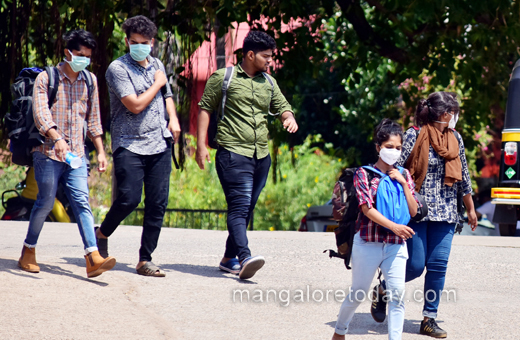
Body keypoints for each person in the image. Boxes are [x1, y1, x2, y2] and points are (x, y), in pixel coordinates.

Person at [370, 92, 478, 338]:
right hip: (416, 211)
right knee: (416, 266)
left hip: (448, 212)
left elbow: (464, 173)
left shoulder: (455, 138)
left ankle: (429, 318)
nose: (455, 117)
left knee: (438, 266)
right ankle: (383, 290)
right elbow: (394, 163)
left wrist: (470, 208)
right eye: (452, 112)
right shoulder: (414, 134)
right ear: (443, 114)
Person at [196, 31, 298, 280]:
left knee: (246, 208)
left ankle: (228, 258)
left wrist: (289, 117)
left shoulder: (269, 82)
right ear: (250, 55)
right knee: (240, 207)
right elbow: (205, 110)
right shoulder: (223, 77)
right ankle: (244, 257)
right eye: (266, 56)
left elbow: (282, 106)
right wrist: (200, 146)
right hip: (232, 152)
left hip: (261, 155)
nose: (269, 61)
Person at [18, 29, 116, 278]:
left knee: (82, 201)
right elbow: (41, 114)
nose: (83, 59)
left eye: (88, 56)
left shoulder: (90, 81)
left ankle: (92, 256)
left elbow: (93, 120)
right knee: (45, 202)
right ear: (67, 52)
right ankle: (28, 250)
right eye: (79, 54)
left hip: (76, 156)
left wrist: (102, 151)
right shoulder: (47, 78)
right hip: (47, 153)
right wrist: (56, 138)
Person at [96, 15, 181, 277]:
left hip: (159, 142)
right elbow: (134, 104)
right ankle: (101, 233)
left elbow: (167, 96)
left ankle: (145, 259)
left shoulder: (156, 63)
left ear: (152, 42)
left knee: (157, 203)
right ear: (127, 41)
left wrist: (174, 120)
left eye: (144, 42)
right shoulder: (117, 69)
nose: (139, 46)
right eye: (134, 42)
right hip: (129, 143)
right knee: (130, 198)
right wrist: (157, 82)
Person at [332, 119, 418, 340]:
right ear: (378, 147)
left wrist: (405, 184)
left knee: (397, 296)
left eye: (398, 148)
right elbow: (367, 209)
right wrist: (395, 227)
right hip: (368, 243)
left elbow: (414, 211)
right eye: (389, 146)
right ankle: (340, 331)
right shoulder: (364, 174)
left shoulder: (404, 174)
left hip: (396, 246)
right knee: (358, 293)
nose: (394, 151)